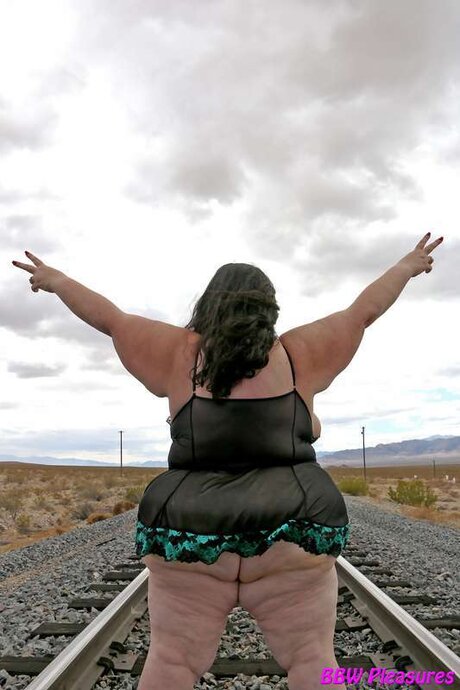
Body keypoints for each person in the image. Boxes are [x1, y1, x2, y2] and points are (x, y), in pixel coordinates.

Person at [12, 232, 443, 690]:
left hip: (190, 531)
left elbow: (110, 319)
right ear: (269, 309)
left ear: (208, 306)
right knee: (313, 658)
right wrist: (405, 267)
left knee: (172, 661)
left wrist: (57, 281)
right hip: (292, 527)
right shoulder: (300, 353)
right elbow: (363, 312)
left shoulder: (177, 353)